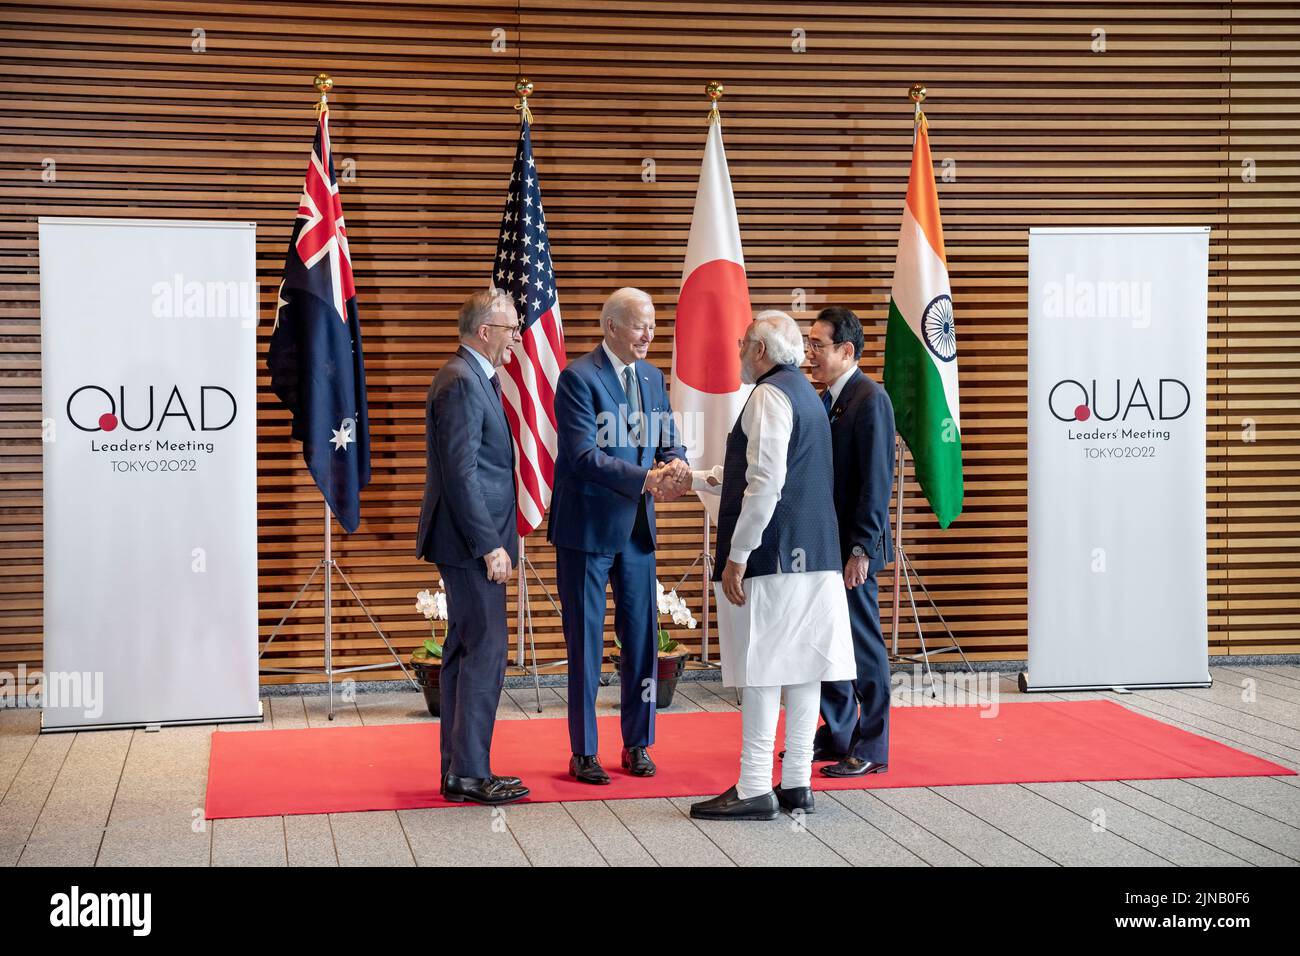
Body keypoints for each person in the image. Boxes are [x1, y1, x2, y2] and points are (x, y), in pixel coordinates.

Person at [689, 311, 855, 820]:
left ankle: (754, 785)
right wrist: (698, 477)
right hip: (817, 556)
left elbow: (765, 484)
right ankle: (797, 781)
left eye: (743, 344)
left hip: (775, 556)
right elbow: (760, 472)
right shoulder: (806, 392)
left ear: (759, 352)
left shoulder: (766, 395)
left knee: (761, 669)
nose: (738, 351)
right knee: (804, 669)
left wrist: (737, 556)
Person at [548, 287, 691, 784]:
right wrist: (647, 479)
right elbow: (583, 456)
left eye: (652, 325)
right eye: (639, 325)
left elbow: (669, 438)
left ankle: (637, 743)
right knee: (585, 645)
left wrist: (677, 466)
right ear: (611, 326)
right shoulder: (578, 378)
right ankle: (583, 751)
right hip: (586, 531)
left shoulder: (652, 377)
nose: (649, 334)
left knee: (642, 641)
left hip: (637, 533)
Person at [415, 288, 529, 806]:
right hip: (469, 545)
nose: (516, 339)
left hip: (471, 542)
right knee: (486, 652)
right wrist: (489, 545)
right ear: (486, 332)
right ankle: (471, 773)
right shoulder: (461, 381)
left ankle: (460, 771)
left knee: (465, 653)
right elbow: (461, 475)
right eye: (509, 330)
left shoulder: (471, 377)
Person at [806, 307, 896, 778]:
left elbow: (876, 484)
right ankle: (839, 732)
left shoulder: (870, 398)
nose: (809, 354)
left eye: (818, 345)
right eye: (808, 344)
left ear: (846, 350)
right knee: (828, 643)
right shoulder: (828, 398)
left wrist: (861, 548)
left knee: (863, 646)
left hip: (853, 550)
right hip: (824, 546)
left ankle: (873, 744)